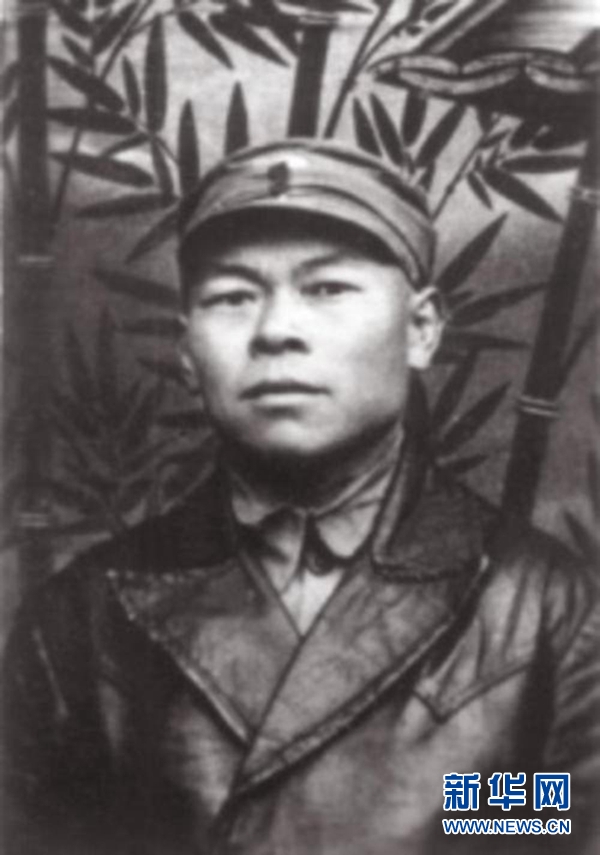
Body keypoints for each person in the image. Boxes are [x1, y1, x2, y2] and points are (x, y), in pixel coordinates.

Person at [2, 139, 599, 855]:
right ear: (187, 354)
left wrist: (437, 809)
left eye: (327, 289)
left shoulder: (544, 607)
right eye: (233, 297)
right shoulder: (81, 619)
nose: (277, 331)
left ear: (420, 329)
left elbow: (553, 824)